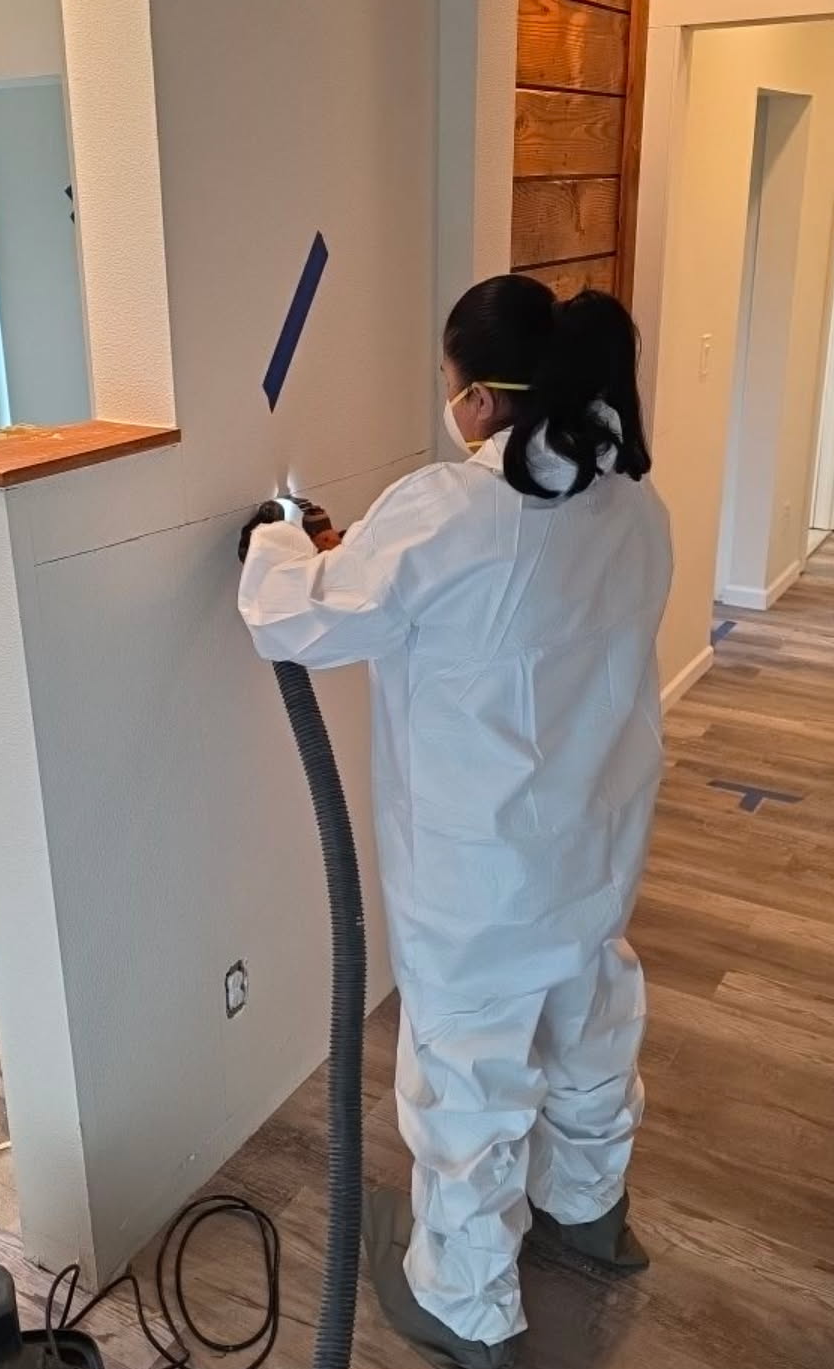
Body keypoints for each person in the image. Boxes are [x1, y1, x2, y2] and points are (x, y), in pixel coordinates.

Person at [238, 278, 673, 1369]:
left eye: (449, 383)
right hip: (593, 843)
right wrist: (357, 550)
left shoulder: (446, 509)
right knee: (587, 1019)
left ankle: (466, 1302)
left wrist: (275, 544)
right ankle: (585, 1207)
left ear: (478, 396)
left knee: (470, 1071)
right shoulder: (629, 503)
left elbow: (299, 619)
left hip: (480, 874)